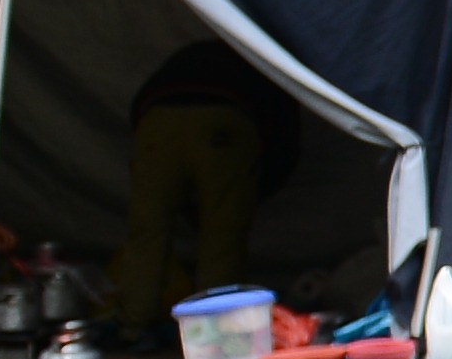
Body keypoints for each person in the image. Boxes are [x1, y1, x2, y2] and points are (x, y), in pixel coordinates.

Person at [107, 30, 306, 336]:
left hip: (156, 121)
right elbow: (283, 147)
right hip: (225, 120)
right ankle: (214, 332)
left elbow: (141, 105)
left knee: (147, 231)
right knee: (222, 236)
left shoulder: (198, 53)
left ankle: (132, 326)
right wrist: (245, 195)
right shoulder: (268, 65)